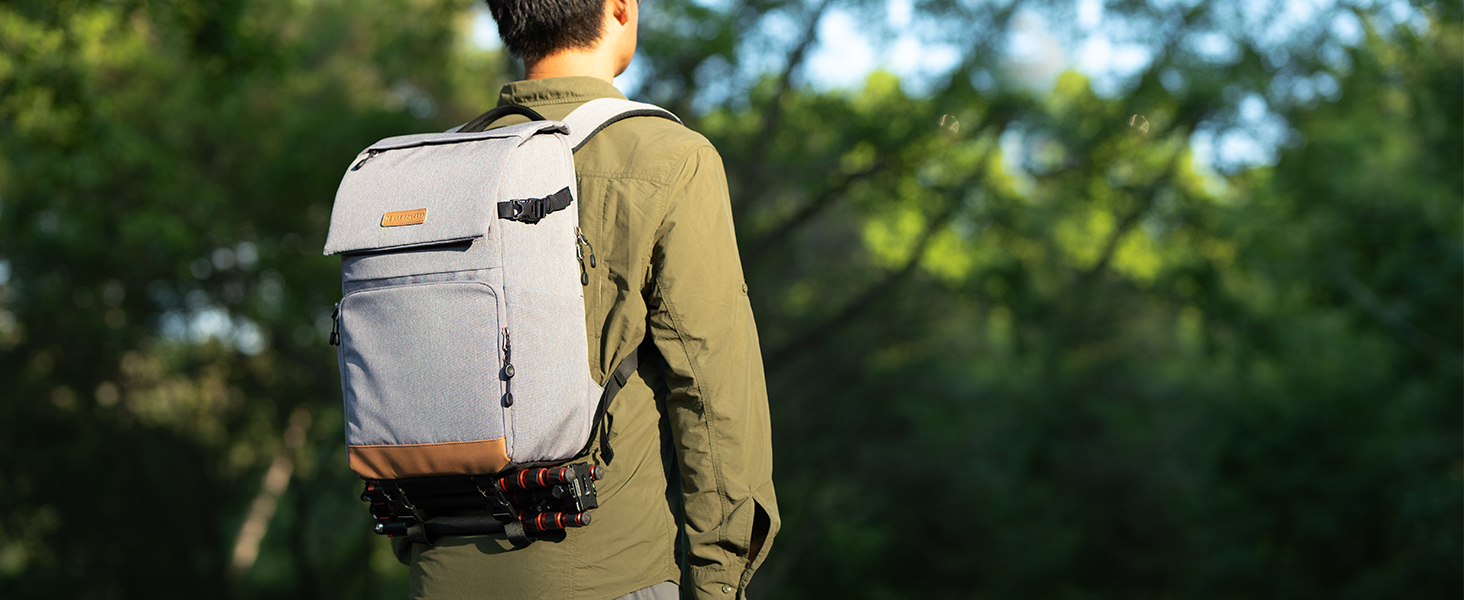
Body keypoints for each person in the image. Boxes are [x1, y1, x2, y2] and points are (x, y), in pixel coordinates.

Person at [400, 0, 780, 598]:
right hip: (610, 573)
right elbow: (713, 399)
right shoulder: (668, 158)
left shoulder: (427, 167)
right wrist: (719, 580)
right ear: (620, 8)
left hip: (440, 572)